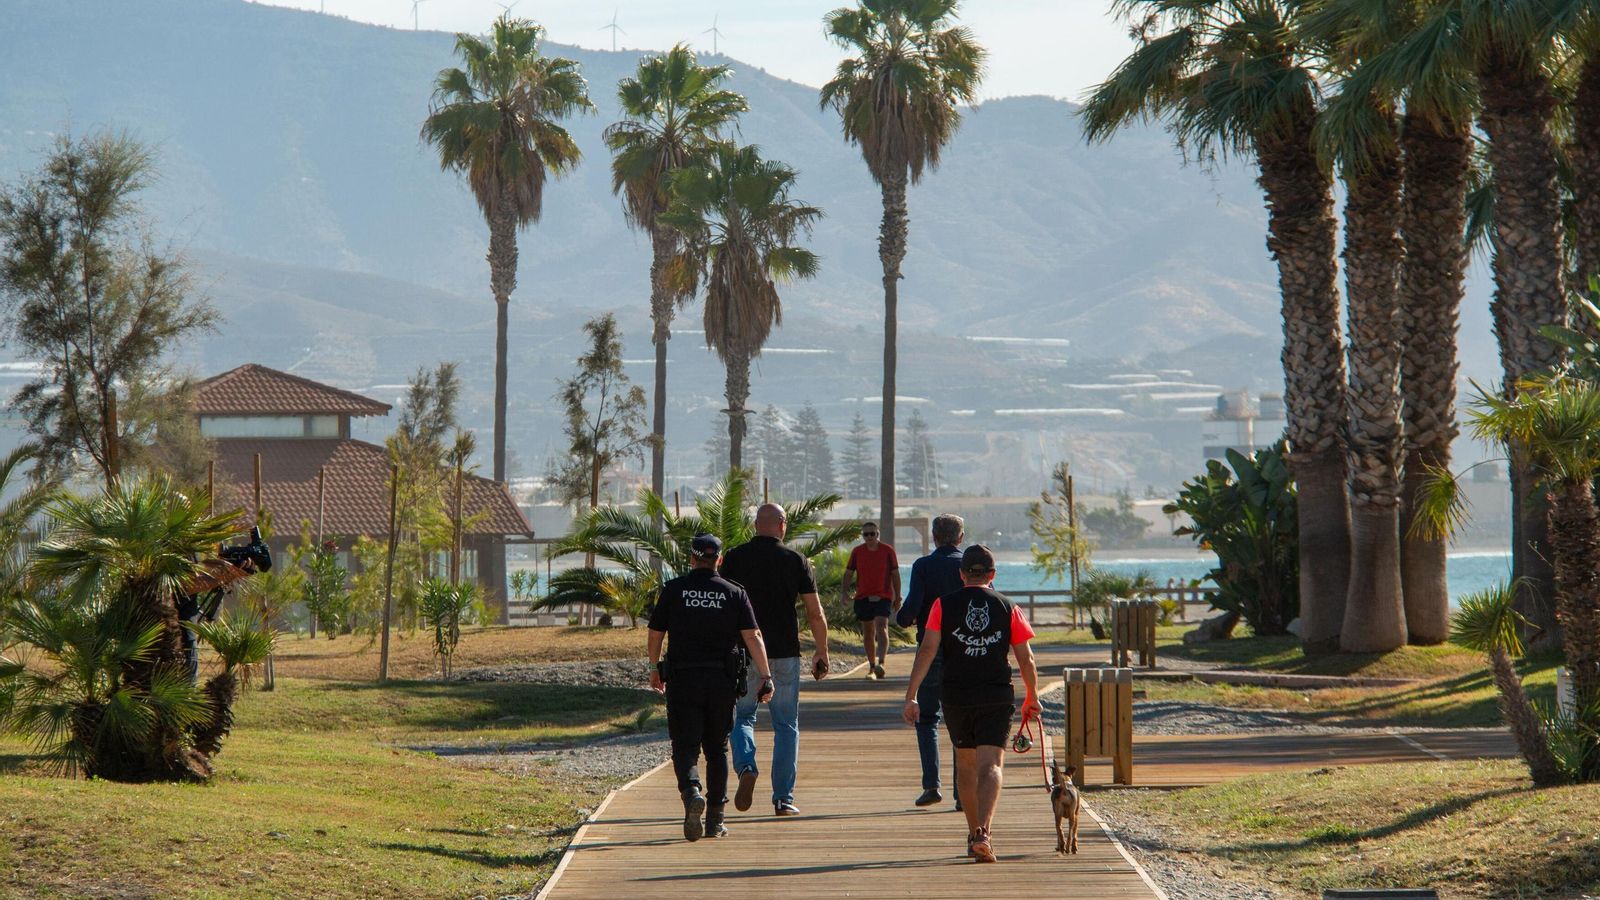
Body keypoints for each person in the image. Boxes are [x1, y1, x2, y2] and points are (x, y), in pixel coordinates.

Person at [901, 544, 1041, 863]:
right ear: (992, 575)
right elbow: (1026, 657)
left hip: (956, 695)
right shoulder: (1008, 606)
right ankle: (985, 833)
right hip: (995, 694)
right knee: (990, 764)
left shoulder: (943, 605)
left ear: (962, 574)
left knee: (965, 763)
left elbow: (927, 651)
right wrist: (1032, 696)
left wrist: (911, 694)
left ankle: (973, 830)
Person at [648, 534, 774, 842]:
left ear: (691, 559)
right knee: (717, 749)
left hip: (683, 680)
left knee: (685, 746)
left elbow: (655, 632)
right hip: (721, 683)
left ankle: (692, 793)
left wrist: (654, 668)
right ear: (719, 559)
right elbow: (753, 636)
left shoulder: (674, 590)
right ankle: (715, 820)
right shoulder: (734, 593)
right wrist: (766, 676)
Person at [719, 502, 830, 817]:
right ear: (783, 525)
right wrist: (821, 651)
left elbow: (724, 603)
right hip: (783, 653)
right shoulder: (796, 561)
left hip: (743, 651)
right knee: (786, 725)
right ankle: (783, 798)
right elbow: (814, 612)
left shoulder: (735, 558)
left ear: (756, 525)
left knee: (742, 717)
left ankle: (746, 768)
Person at [896, 513, 966, 808]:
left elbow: (912, 606)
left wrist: (902, 618)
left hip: (931, 646)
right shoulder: (968, 565)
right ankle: (963, 794)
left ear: (934, 537)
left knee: (927, 718)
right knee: (961, 722)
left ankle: (931, 785)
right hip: (965, 648)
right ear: (960, 537)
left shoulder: (923, 566)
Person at [840, 522, 901, 679]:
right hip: (863, 597)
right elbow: (848, 573)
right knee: (868, 631)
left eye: (872, 534)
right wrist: (844, 593)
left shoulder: (888, 551)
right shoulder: (857, 552)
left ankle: (881, 663)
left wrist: (898, 596)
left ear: (877, 534)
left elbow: (895, 575)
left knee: (881, 626)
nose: (869, 537)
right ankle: (872, 667)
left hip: (883, 596)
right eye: (865, 534)